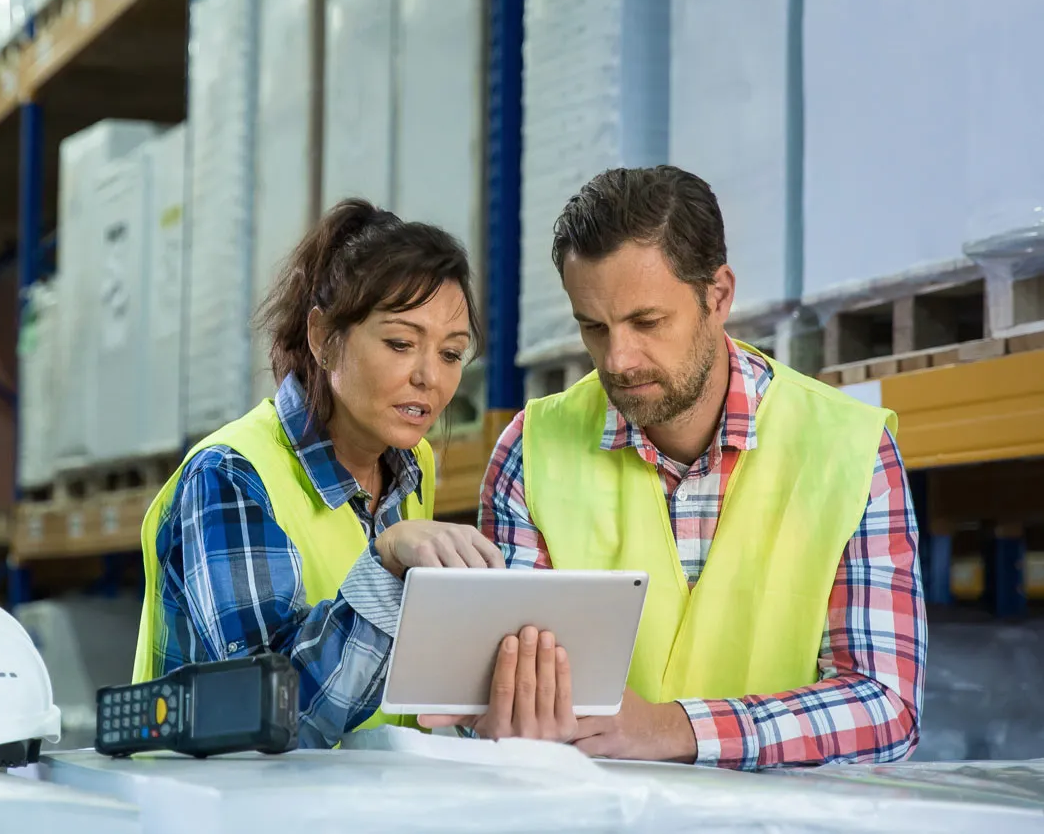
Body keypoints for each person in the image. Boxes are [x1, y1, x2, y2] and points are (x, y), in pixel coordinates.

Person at [422, 166, 927, 770]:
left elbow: (887, 708)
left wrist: (674, 729)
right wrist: (502, 716)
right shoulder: (530, 450)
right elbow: (499, 698)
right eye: (594, 327)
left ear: (718, 295)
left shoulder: (853, 451)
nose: (619, 358)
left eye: (647, 322)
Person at [132, 198, 504, 749]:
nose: (429, 377)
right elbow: (276, 717)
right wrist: (386, 561)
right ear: (324, 338)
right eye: (401, 344)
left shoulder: (411, 466)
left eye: (451, 354)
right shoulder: (230, 476)